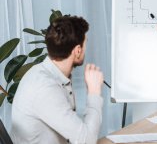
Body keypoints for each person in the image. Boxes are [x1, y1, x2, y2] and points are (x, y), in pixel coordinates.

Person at [11, 16, 104, 144]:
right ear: (77, 51)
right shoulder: (45, 88)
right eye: (85, 44)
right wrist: (94, 92)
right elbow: (86, 141)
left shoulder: (44, 74)